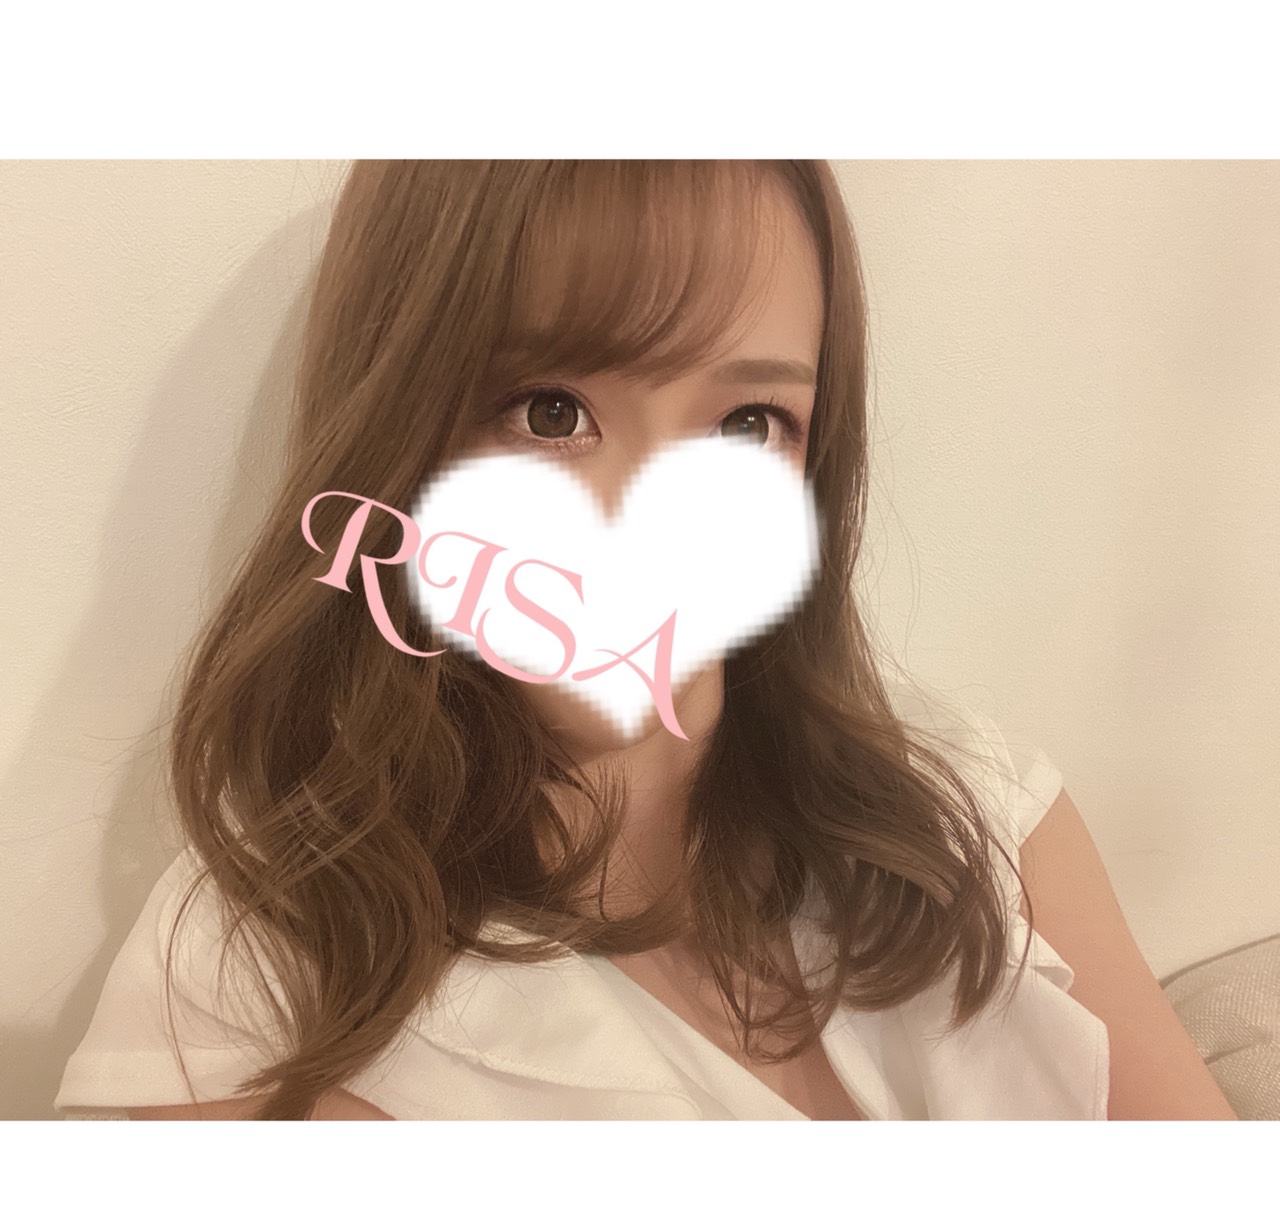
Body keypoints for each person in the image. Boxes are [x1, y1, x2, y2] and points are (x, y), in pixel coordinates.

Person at [53, 160, 1235, 1121]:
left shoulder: (979, 811)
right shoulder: (257, 968)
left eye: (745, 425)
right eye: (550, 412)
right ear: (397, 431)